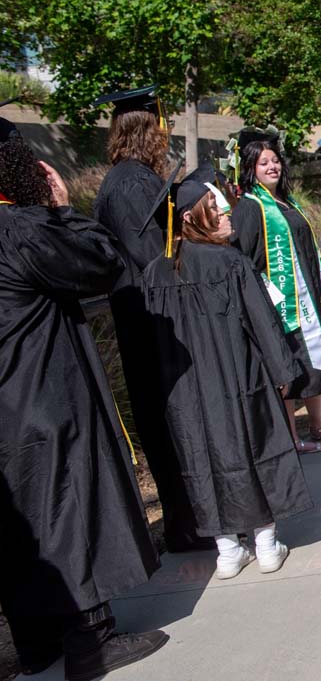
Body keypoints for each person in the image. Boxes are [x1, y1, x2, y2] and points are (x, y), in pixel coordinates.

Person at [0, 118, 168, 681]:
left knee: (16, 521)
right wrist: (62, 207)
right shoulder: (21, 228)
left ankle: (36, 646)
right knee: (64, 510)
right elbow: (102, 262)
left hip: (6, 408)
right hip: (43, 396)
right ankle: (90, 641)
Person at [143, 170, 311, 579]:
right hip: (240, 377)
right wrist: (282, 369)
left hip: (186, 391)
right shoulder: (229, 261)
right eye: (213, 207)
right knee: (257, 449)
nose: (222, 211)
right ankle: (267, 544)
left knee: (204, 460)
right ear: (188, 218)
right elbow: (261, 321)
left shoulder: (154, 275)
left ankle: (227, 551)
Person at [91, 85, 208, 553]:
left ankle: (189, 520)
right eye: (159, 124)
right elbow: (152, 258)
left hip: (147, 318)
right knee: (170, 422)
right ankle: (188, 524)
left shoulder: (125, 179)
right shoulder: (131, 183)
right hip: (153, 321)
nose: (165, 132)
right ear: (145, 129)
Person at [231, 129, 321, 453]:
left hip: (304, 301)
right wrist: (272, 299)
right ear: (250, 169)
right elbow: (246, 262)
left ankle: (320, 426)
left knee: (313, 360)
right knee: (288, 367)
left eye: (275, 161)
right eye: (263, 163)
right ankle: (291, 438)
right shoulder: (249, 208)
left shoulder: (285, 202)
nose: (272, 166)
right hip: (278, 306)